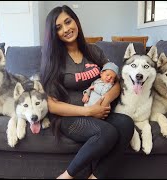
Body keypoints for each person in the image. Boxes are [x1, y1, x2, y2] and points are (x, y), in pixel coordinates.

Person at [40, 5, 134, 179]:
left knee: (126, 123)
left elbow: (116, 83)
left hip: (98, 110)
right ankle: (66, 176)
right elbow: (52, 105)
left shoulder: (93, 51)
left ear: (76, 21)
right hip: (68, 117)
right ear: (54, 34)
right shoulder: (53, 60)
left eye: (68, 22)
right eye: (59, 28)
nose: (66, 29)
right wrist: (89, 111)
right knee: (107, 133)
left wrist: (105, 101)